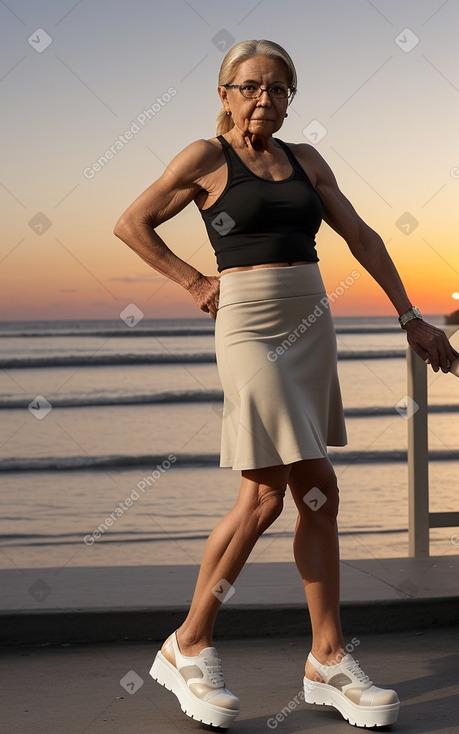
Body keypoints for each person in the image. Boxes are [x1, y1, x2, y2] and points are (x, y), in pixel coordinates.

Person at [114, 39, 456, 730]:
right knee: (268, 494)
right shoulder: (204, 159)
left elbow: (358, 236)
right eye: (249, 87)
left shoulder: (307, 160)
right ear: (223, 93)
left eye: (277, 88)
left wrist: (410, 318)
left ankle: (326, 658)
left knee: (318, 494)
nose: (263, 99)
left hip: (308, 322)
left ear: (290, 97)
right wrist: (194, 281)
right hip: (247, 323)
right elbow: (131, 224)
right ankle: (188, 642)